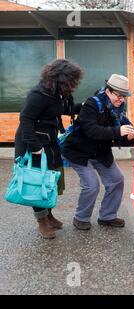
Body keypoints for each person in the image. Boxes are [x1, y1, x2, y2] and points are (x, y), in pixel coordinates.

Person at [14, 59, 83, 239]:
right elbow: (26, 119)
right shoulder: (39, 95)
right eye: (72, 81)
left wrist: (84, 106)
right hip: (34, 142)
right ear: (60, 79)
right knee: (37, 181)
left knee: (51, 179)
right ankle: (41, 221)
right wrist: (34, 146)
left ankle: (49, 215)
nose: (74, 85)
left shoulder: (59, 93)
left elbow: (65, 109)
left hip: (50, 140)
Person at [62, 74, 134, 231]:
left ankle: (107, 216)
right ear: (108, 91)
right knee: (91, 185)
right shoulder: (92, 104)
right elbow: (91, 131)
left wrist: (130, 137)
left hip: (100, 153)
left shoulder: (119, 111)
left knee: (117, 179)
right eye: (118, 95)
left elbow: (120, 139)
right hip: (79, 151)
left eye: (124, 96)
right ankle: (80, 217)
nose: (121, 99)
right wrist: (118, 131)